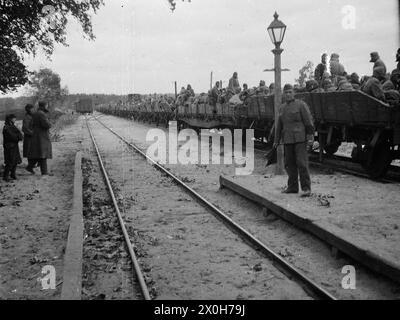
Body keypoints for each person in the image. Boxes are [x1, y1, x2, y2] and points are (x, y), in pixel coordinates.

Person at [274, 84, 315, 197]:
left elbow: (308, 122)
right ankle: (292, 187)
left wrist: (310, 137)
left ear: (294, 93)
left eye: (290, 92)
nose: (288, 94)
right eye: (286, 92)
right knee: (289, 164)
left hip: (300, 139)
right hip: (287, 139)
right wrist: (276, 141)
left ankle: (306, 188)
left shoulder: (301, 105)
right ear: (283, 94)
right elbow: (279, 126)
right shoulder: (282, 108)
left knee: (302, 163)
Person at [26, 101, 52, 175]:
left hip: (36, 136)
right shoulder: (41, 114)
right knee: (43, 154)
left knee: (39, 153)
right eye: (47, 106)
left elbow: (31, 125)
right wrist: (50, 123)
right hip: (42, 136)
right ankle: (44, 172)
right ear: (44, 106)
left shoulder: (35, 114)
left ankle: (30, 167)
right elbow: (47, 125)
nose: (47, 107)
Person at [2, 114, 23, 181]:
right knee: (10, 161)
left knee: (15, 161)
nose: (15, 120)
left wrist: (18, 136)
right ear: (10, 119)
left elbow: (20, 135)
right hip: (9, 147)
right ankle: (5, 176)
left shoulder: (13, 126)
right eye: (14, 118)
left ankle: (13, 174)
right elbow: (12, 137)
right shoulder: (6, 128)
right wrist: (18, 137)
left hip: (14, 146)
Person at [22, 104, 35, 173]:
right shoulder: (27, 117)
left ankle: (31, 166)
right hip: (29, 138)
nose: (33, 110)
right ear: (28, 110)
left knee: (33, 152)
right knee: (29, 152)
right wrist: (33, 133)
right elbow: (25, 128)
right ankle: (30, 167)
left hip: (33, 137)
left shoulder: (32, 116)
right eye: (32, 109)